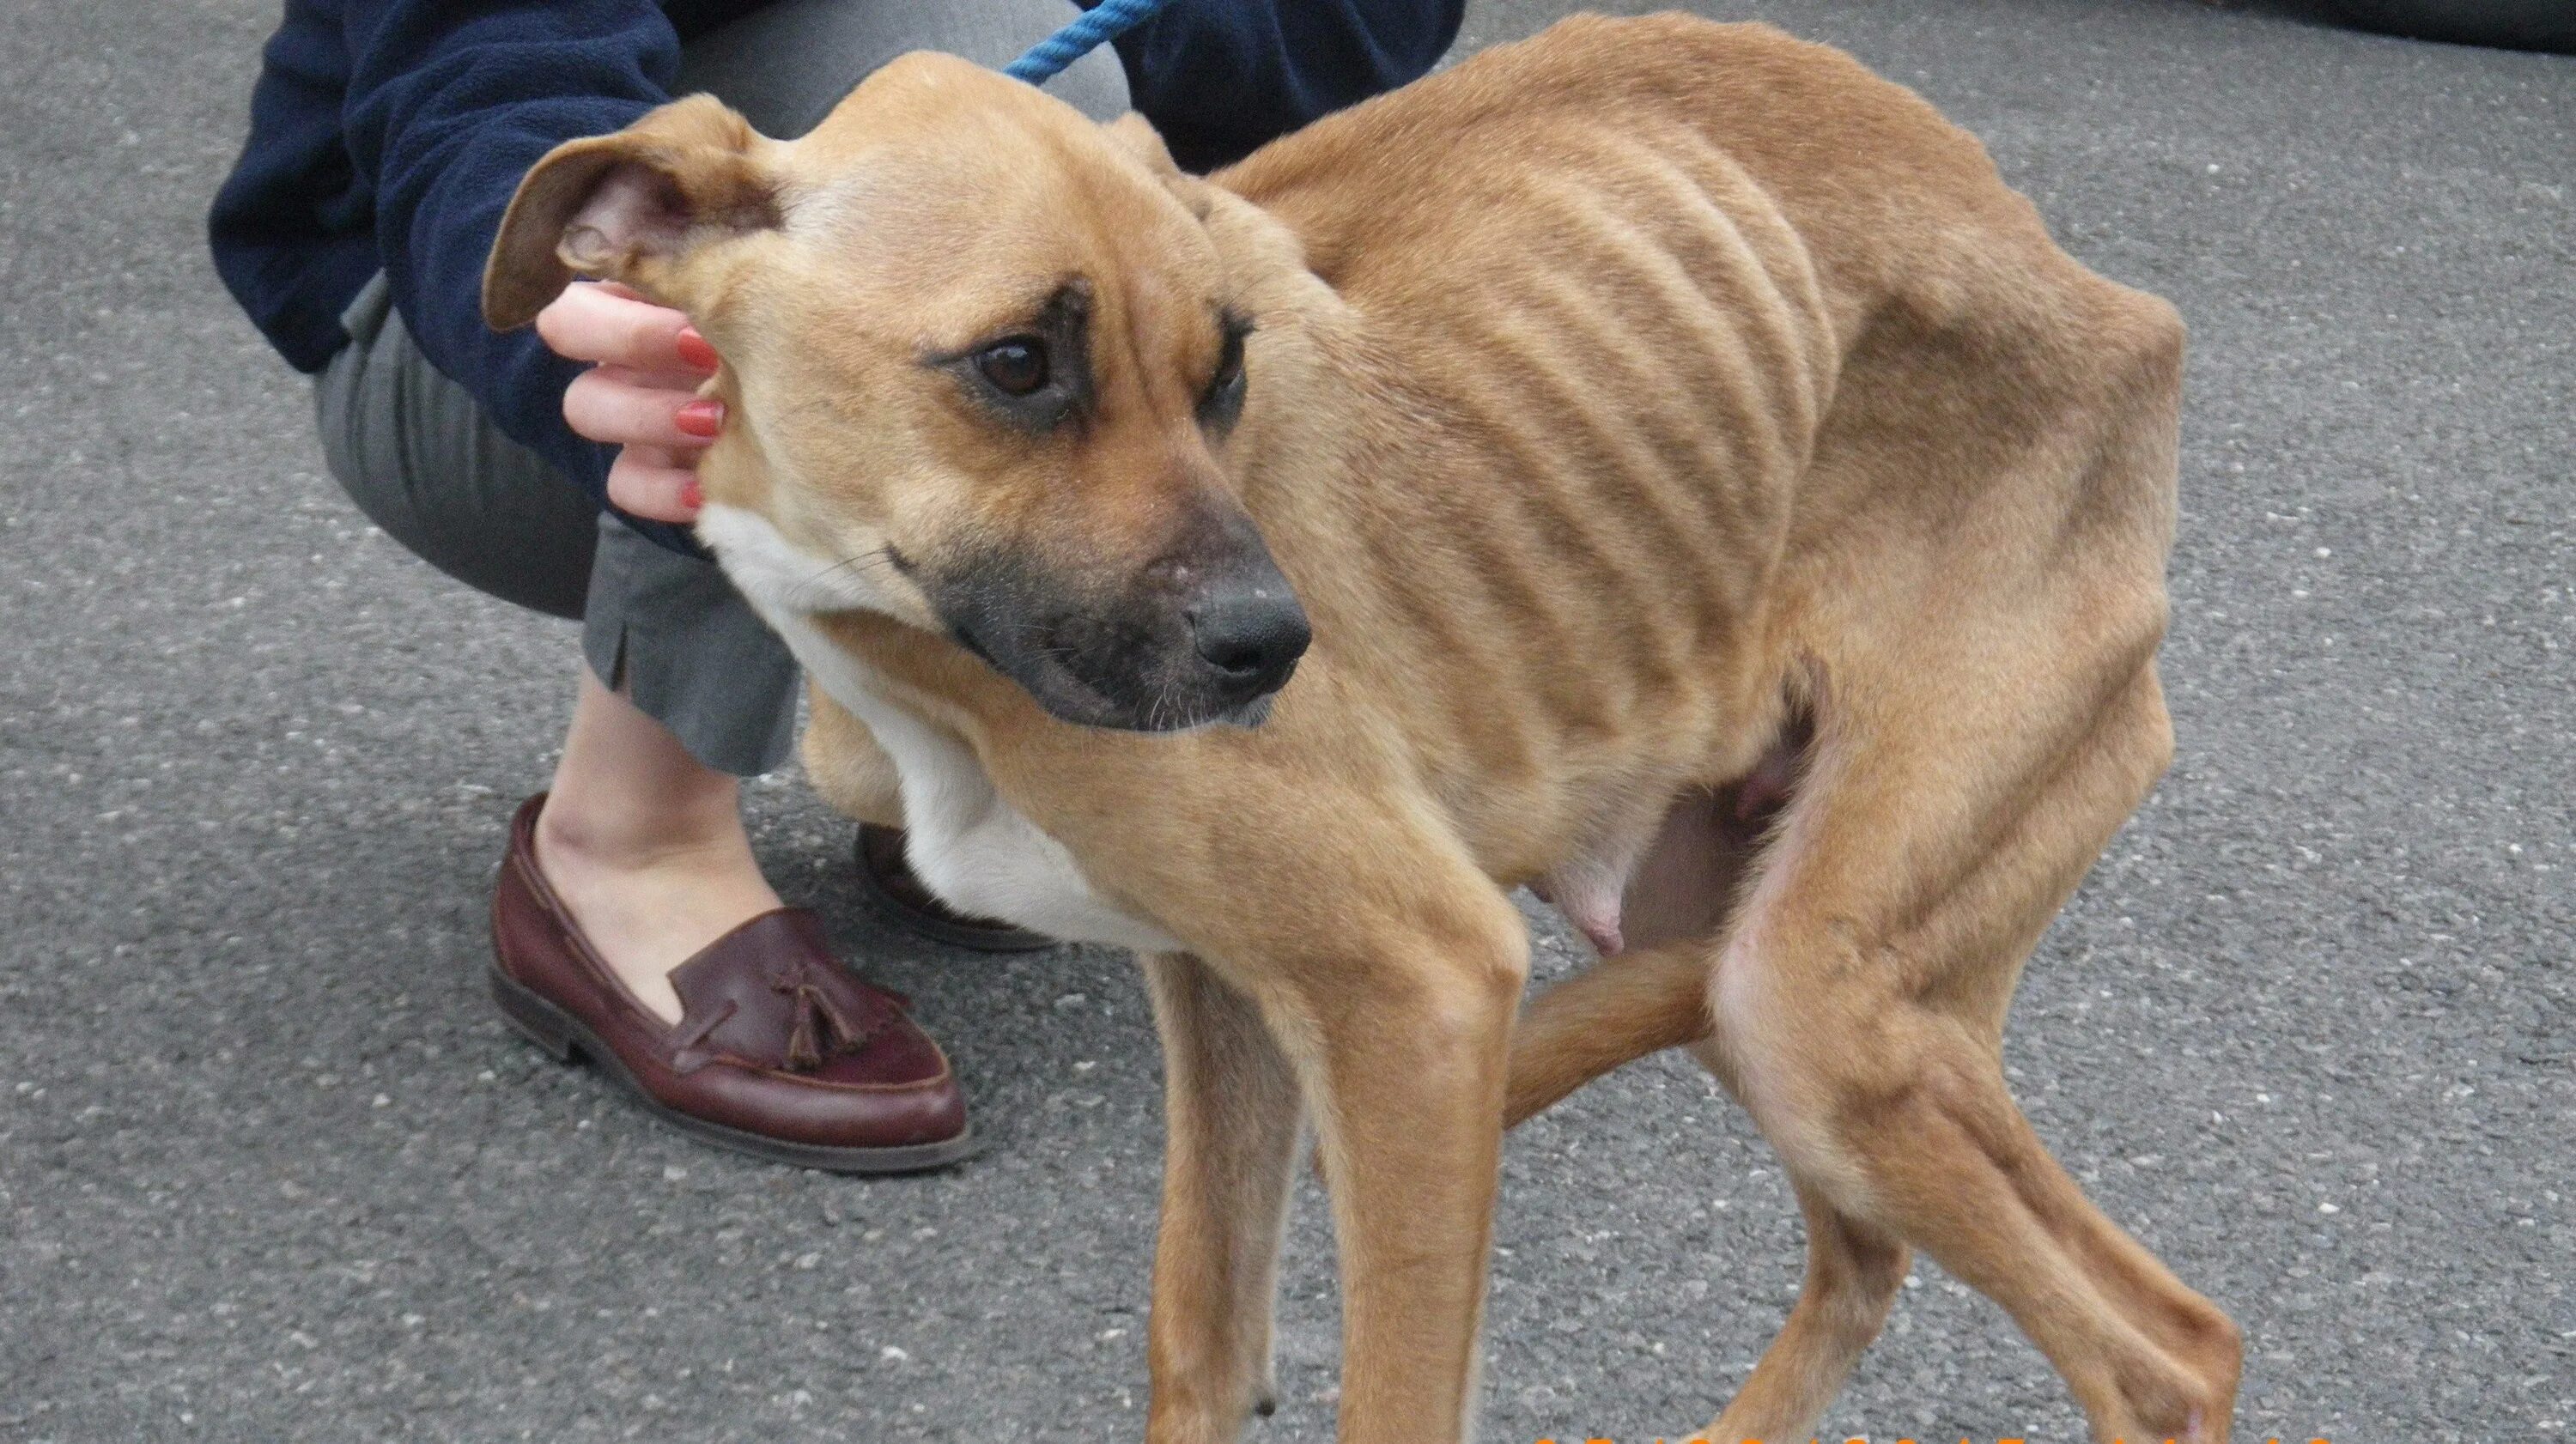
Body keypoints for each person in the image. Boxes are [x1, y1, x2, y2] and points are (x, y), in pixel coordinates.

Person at [209, 0, 1461, 1172]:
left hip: (913, 209)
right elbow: (477, 58)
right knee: (973, 99)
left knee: (1034, 133)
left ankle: (936, 769)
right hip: (470, 296)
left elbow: (1347, 34)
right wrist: (593, 342)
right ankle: (627, 841)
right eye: (1023, 368)